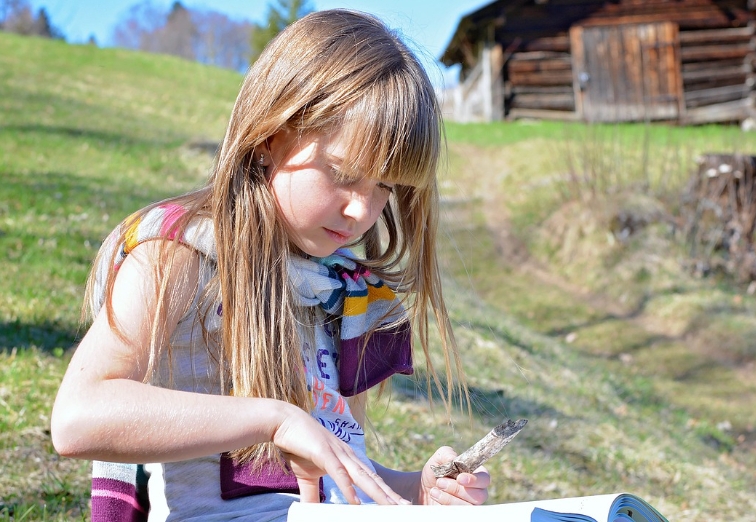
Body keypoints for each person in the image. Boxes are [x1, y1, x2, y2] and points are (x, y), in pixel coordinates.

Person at [50, 9, 490, 521]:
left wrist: (417, 488)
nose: (362, 211)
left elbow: (337, 478)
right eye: (344, 174)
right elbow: (78, 417)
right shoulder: (180, 253)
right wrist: (273, 419)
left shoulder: (345, 293)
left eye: (385, 188)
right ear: (269, 136)